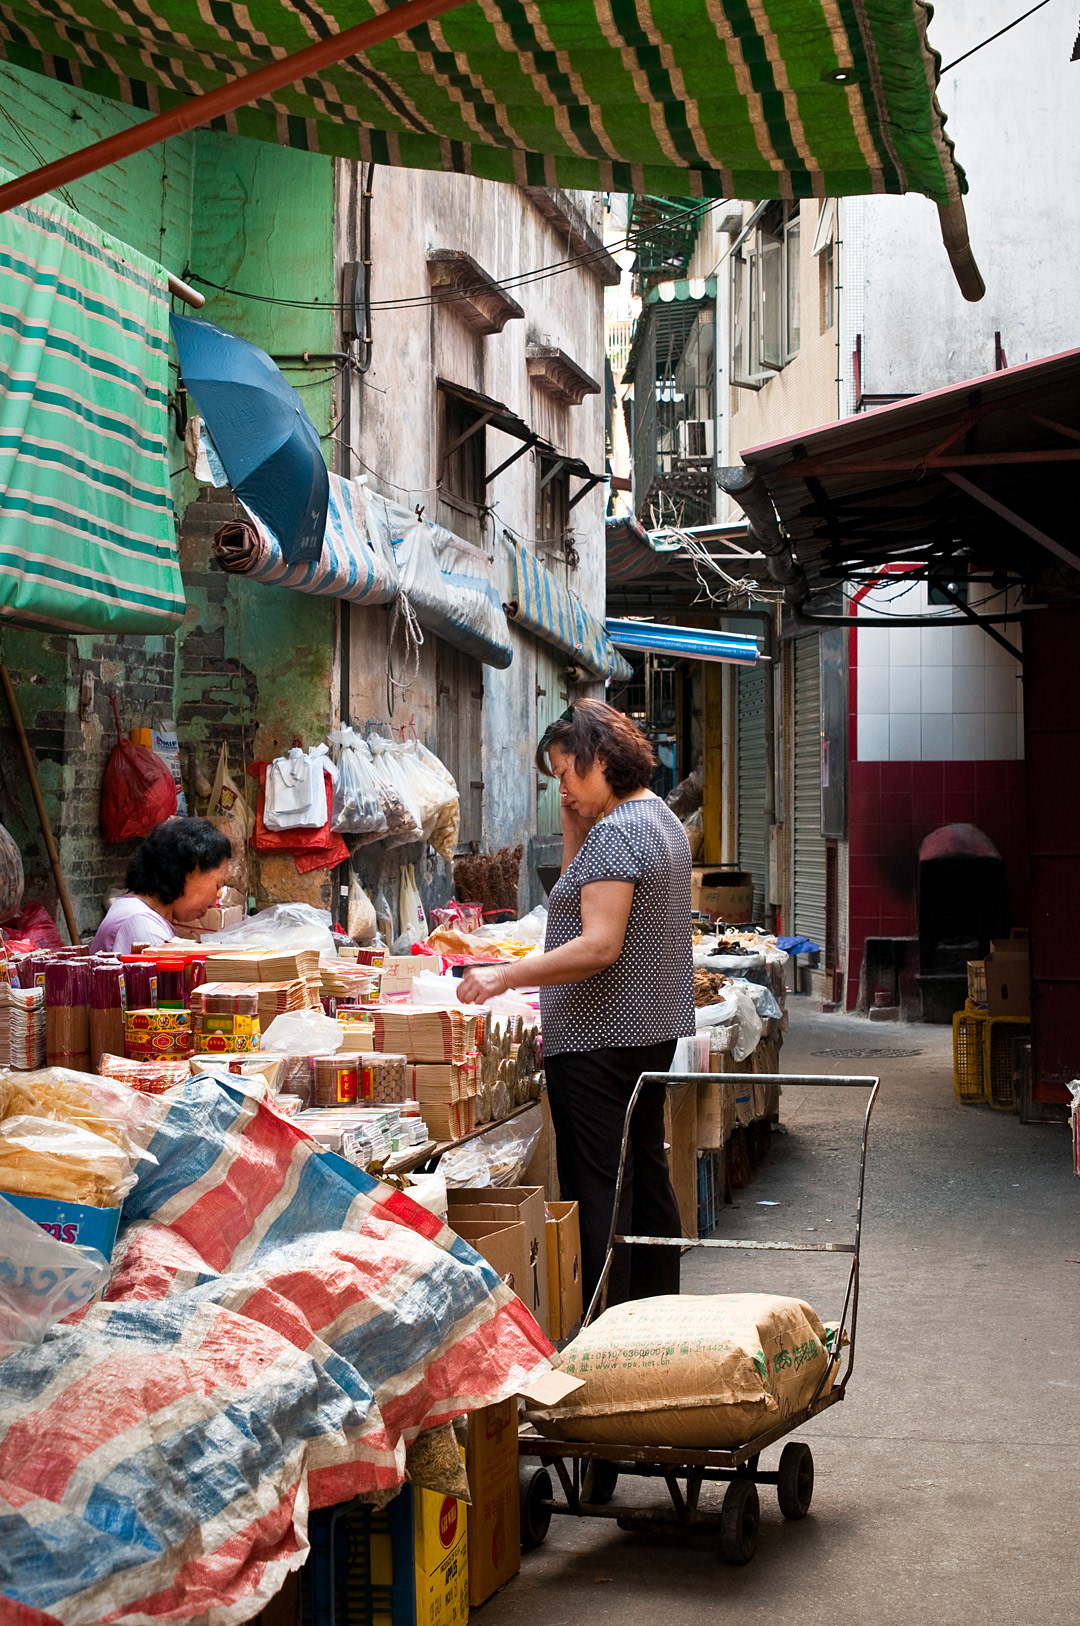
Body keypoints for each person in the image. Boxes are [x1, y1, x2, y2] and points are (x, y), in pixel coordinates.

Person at [458, 699, 694, 1311]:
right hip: (648, 1028)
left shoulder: (617, 834)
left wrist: (504, 976)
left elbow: (597, 944)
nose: (562, 787)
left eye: (565, 773)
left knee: (600, 1186)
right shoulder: (659, 819)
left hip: (599, 1038)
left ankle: (608, 1322)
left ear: (599, 760)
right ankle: (655, 1310)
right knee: (643, 1171)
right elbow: (577, 901)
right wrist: (572, 830)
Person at [91, 818, 233, 955]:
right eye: (217, 886)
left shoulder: (141, 914)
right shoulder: (141, 924)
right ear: (191, 871)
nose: (213, 903)